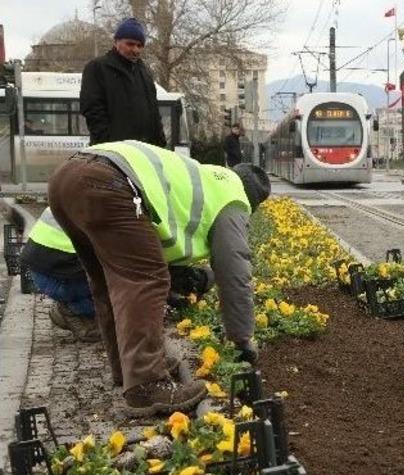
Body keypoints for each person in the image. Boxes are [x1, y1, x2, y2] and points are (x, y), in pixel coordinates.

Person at [47, 140, 271, 416]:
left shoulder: (209, 177)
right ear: (252, 201)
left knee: (108, 282)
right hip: (107, 181)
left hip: (66, 178)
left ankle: (126, 370)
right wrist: (242, 338)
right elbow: (234, 272)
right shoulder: (233, 199)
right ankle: (147, 385)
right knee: (146, 280)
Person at [19, 208, 216, 343]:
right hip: (59, 273)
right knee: (128, 297)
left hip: (44, 264)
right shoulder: (134, 208)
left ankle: (76, 305)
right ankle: (75, 309)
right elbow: (140, 269)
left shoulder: (118, 188)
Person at [80, 18, 166, 147]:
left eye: (139, 45)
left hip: (145, 151)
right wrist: (107, 143)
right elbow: (92, 109)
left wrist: (160, 144)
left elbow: (153, 111)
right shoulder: (97, 68)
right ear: (116, 42)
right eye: (130, 44)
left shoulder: (144, 72)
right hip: (114, 152)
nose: (136, 50)